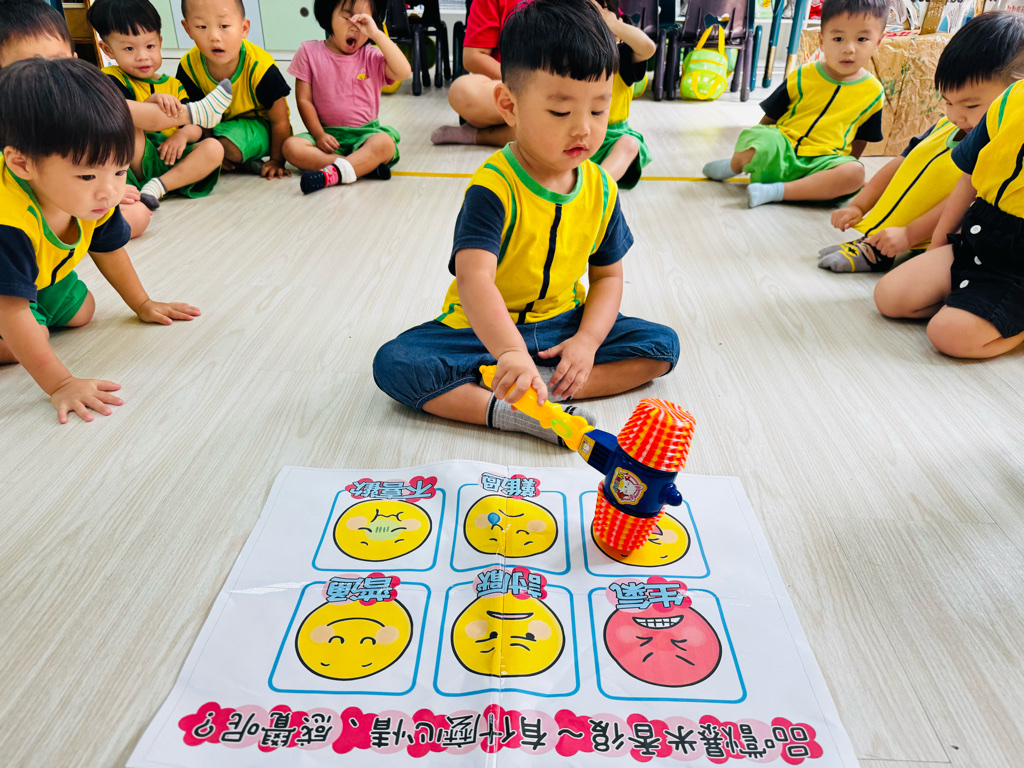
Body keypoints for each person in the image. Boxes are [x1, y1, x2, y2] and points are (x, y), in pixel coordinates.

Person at [373, 0, 679, 445]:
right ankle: (515, 410)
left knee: (661, 347)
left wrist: (587, 342)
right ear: (509, 106)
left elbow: (608, 277)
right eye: (561, 112)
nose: (584, 129)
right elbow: (475, 280)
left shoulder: (601, 188)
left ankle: (541, 390)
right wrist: (510, 351)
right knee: (396, 363)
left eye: (598, 110)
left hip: (562, 325)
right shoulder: (494, 186)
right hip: (482, 330)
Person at [0, 58, 200, 423]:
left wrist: (142, 303)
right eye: (88, 176)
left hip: (41, 275)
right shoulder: (7, 221)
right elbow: (10, 311)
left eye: (120, 170)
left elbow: (109, 249)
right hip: (5, 293)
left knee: (83, 312)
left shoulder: (98, 196)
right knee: (28, 336)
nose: (110, 191)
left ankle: (34, 306)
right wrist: (61, 384)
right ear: (23, 165)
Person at [820, 12, 1024, 272]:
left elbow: (961, 204)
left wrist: (909, 235)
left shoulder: (1002, 147)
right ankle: (878, 239)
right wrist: (860, 205)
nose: (955, 116)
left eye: (971, 105)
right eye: (948, 102)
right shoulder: (944, 126)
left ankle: (886, 249)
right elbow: (900, 164)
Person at [873, 47, 1024, 358]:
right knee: (890, 296)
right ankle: (974, 308)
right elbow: (968, 178)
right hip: (979, 236)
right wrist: (937, 245)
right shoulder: (1011, 98)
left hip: (1018, 264)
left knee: (949, 335)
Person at [702, 0, 886, 208]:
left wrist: (844, 169)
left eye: (862, 39)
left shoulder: (874, 92)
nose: (849, 49)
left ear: (878, 41)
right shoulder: (803, 75)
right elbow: (770, 117)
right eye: (838, 38)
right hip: (783, 151)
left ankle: (776, 192)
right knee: (757, 137)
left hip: (823, 163)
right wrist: (756, 148)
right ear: (822, 40)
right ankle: (733, 166)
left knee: (855, 173)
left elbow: (861, 139)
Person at [0, 0, 152, 238]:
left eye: (59, 62)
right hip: (23, 214)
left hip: (66, 201)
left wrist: (102, 186)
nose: (50, 76)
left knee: (137, 215)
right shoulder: (13, 118)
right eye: (29, 66)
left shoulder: (79, 109)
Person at [88, 0, 229, 209]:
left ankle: (158, 187)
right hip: (135, 160)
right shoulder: (110, 78)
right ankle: (196, 112)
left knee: (214, 148)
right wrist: (150, 102)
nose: (142, 56)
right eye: (129, 48)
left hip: (170, 159)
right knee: (127, 122)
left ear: (160, 42)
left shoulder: (173, 84)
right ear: (108, 50)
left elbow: (197, 130)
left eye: (150, 46)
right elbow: (120, 119)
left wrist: (183, 135)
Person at [282, 0, 411, 193]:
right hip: (327, 137)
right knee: (291, 147)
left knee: (385, 143)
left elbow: (404, 72)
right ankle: (361, 166)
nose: (355, 27)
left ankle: (333, 173)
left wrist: (376, 34)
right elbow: (304, 100)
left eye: (363, 21)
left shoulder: (371, 56)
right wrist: (318, 135)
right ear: (328, 15)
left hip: (366, 136)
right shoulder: (309, 52)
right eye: (348, 17)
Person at [176, 0, 292, 178]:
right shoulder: (189, 66)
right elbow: (194, 113)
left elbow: (280, 120)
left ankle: (229, 156)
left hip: (259, 127)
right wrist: (208, 144)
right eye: (201, 26)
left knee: (224, 146)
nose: (214, 36)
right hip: (218, 126)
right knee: (178, 136)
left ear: (244, 28)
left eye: (224, 26)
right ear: (188, 29)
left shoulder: (260, 67)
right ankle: (223, 157)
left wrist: (277, 161)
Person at [429, 0, 520, 147]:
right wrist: (524, 83)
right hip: (512, 87)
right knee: (461, 90)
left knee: (551, 117)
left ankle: (481, 135)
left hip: (556, 91)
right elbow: (473, 57)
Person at [592, 0, 656, 189]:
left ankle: (596, 187)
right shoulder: (569, 58)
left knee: (628, 145)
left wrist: (613, 23)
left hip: (612, 138)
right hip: (578, 134)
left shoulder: (622, 56)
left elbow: (648, 48)